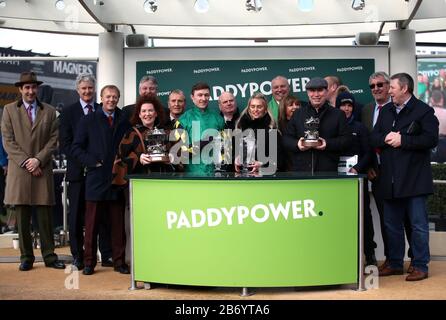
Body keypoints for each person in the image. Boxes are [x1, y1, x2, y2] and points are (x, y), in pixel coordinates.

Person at [371, 73, 439, 281]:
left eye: (392, 87)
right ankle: (394, 263)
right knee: (391, 224)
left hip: (415, 180)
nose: (388, 91)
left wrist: (404, 140)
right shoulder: (387, 111)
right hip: (390, 180)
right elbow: (373, 137)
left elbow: (430, 139)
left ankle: (420, 265)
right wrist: (386, 138)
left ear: (405, 89)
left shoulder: (424, 111)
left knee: (418, 225)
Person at [1, 71, 65, 271]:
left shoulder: (49, 110)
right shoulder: (9, 110)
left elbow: (53, 140)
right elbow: (8, 141)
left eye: (33, 87)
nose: (30, 91)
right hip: (20, 172)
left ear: (37, 89)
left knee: (45, 217)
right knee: (22, 217)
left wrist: (38, 160)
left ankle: (50, 256)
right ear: (20, 89)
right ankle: (26, 257)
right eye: (26, 87)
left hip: (41, 168)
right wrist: (27, 162)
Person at [72, 85, 130, 275]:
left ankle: (119, 262)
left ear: (118, 98)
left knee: (118, 226)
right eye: (108, 97)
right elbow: (76, 148)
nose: (111, 100)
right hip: (95, 179)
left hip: (117, 180)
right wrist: (93, 162)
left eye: (115, 97)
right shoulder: (88, 120)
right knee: (91, 226)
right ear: (101, 98)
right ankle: (89, 263)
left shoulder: (124, 120)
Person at [59, 73, 113, 271]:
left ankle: (105, 254)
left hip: (100, 176)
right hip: (78, 173)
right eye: (84, 88)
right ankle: (78, 256)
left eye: (90, 88)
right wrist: (88, 161)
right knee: (76, 217)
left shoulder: (103, 110)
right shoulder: (68, 112)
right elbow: (65, 144)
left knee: (102, 216)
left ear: (95, 90)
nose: (87, 91)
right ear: (77, 90)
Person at [361, 71, 413, 271]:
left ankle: (414, 258)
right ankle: (392, 260)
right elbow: (367, 142)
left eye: (381, 85)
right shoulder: (366, 110)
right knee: (387, 219)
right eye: (372, 86)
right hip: (377, 172)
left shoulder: (398, 109)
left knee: (408, 217)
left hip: (401, 172)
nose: (376, 89)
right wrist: (371, 166)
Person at [336, 91, 377, 265]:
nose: (346, 108)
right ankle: (343, 256)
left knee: (364, 218)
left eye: (349, 105)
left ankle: (370, 254)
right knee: (339, 218)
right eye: (343, 105)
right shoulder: (331, 126)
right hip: (336, 182)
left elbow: (369, 153)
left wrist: (358, 169)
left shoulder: (360, 128)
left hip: (357, 179)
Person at [283, 77, 352, 172]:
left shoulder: (338, 114)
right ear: (307, 93)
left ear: (326, 92)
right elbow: (286, 139)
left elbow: (347, 140)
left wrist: (327, 144)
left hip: (327, 171)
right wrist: (297, 144)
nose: (316, 94)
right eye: (312, 90)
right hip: (301, 171)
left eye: (320, 90)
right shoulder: (298, 114)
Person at [177, 82, 225, 174]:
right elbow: (181, 153)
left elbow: (227, 148)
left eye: (206, 95)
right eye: (200, 95)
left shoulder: (218, 118)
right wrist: (207, 141)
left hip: (215, 175)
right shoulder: (183, 120)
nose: (203, 98)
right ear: (192, 97)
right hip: (192, 175)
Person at [235, 92, 283, 174]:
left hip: (265, 178)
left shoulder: (271, 130)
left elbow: (280, 161)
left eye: (259, 107)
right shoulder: (240, 127)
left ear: (265, 109)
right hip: (244, 177)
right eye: (252, 106)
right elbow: (234, 151)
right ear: (249, 108)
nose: (255, 110)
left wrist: (261, 164)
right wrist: (236, 159)